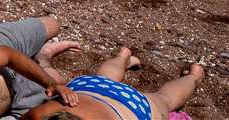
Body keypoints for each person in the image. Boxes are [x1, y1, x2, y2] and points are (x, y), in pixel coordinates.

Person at [23, 54, 204, 120]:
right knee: (164, 98)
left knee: (166, 99)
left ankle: (194, 77)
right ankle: (194, 75)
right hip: (91, 90)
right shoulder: (39, 114)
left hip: (129, 107)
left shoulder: (37, 115)